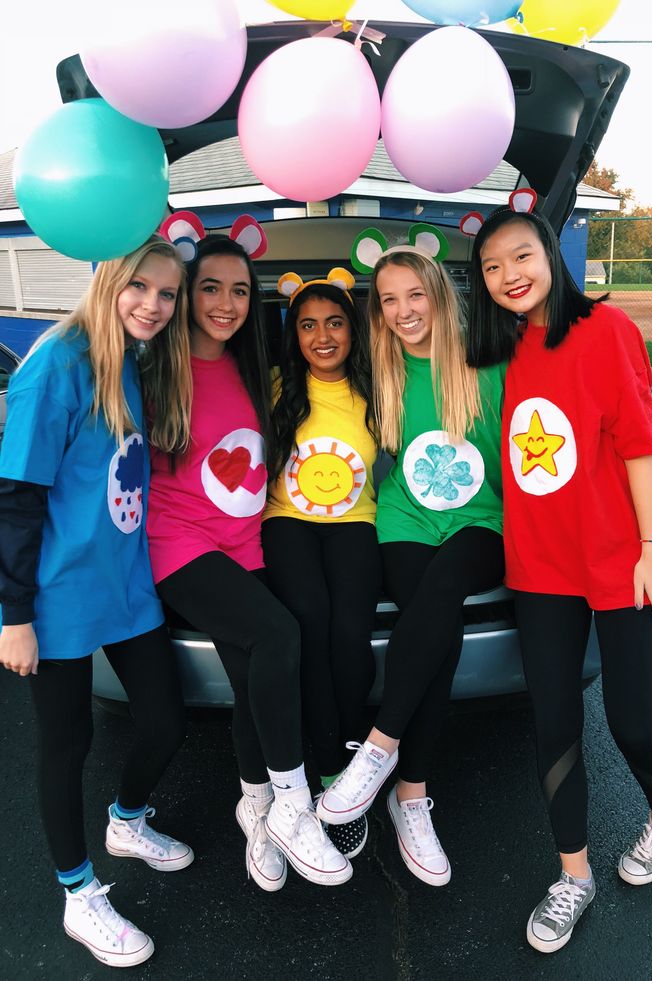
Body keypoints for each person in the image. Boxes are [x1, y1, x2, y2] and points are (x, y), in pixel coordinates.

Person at [465, 189, 652, 953]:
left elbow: (639, 446)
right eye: (491, 266)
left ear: (552, 256)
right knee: (553, 724)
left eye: (522, 254)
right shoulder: (497, 353)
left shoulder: (608, 328)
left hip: (621, 561)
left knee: (630, 721)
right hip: (542, 570)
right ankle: (573, 873)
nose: (509, 274)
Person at [0, 236, 194, 969]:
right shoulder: (55, 364)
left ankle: (127, 820)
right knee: (67, 744)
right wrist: (12, 614)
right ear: (110, 279)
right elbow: (17, 499)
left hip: (125, 583)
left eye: (166, 293)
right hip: (58, 596)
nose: (153, 304)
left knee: (166, 719)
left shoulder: (138, 359)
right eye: (139, 287)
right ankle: (78, 893)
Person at [149, 221, 351, 891]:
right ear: (186, 291)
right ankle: (295, 803)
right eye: (211, 287)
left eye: (239, 290)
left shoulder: (251, 367)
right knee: (279, 632)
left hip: (242, 541)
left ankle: (255, 804)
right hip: (179, 544)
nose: (227, 304)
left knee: (251, 680)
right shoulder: (156, 366)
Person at [317, 228, 505, 887]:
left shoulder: (489, 363)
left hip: (481, 520)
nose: (404, 310)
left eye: (415, 293)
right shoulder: (383, 370)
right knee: (436, 625)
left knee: (444, 589)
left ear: (440, 296)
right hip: (402, 519)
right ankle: (412, 796)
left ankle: (380, 748)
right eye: (389, 299)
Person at [263, 268, 381, 859]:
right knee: (308, 616)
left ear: (353, 330)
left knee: (350, 630)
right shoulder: (276, 387)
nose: (322, 336)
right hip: (286, 520)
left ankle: (355, 757)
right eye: (307, 325)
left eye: (334, 322)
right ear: (295, 336)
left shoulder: (376, 390)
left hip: (356, 523)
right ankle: (328, 765)